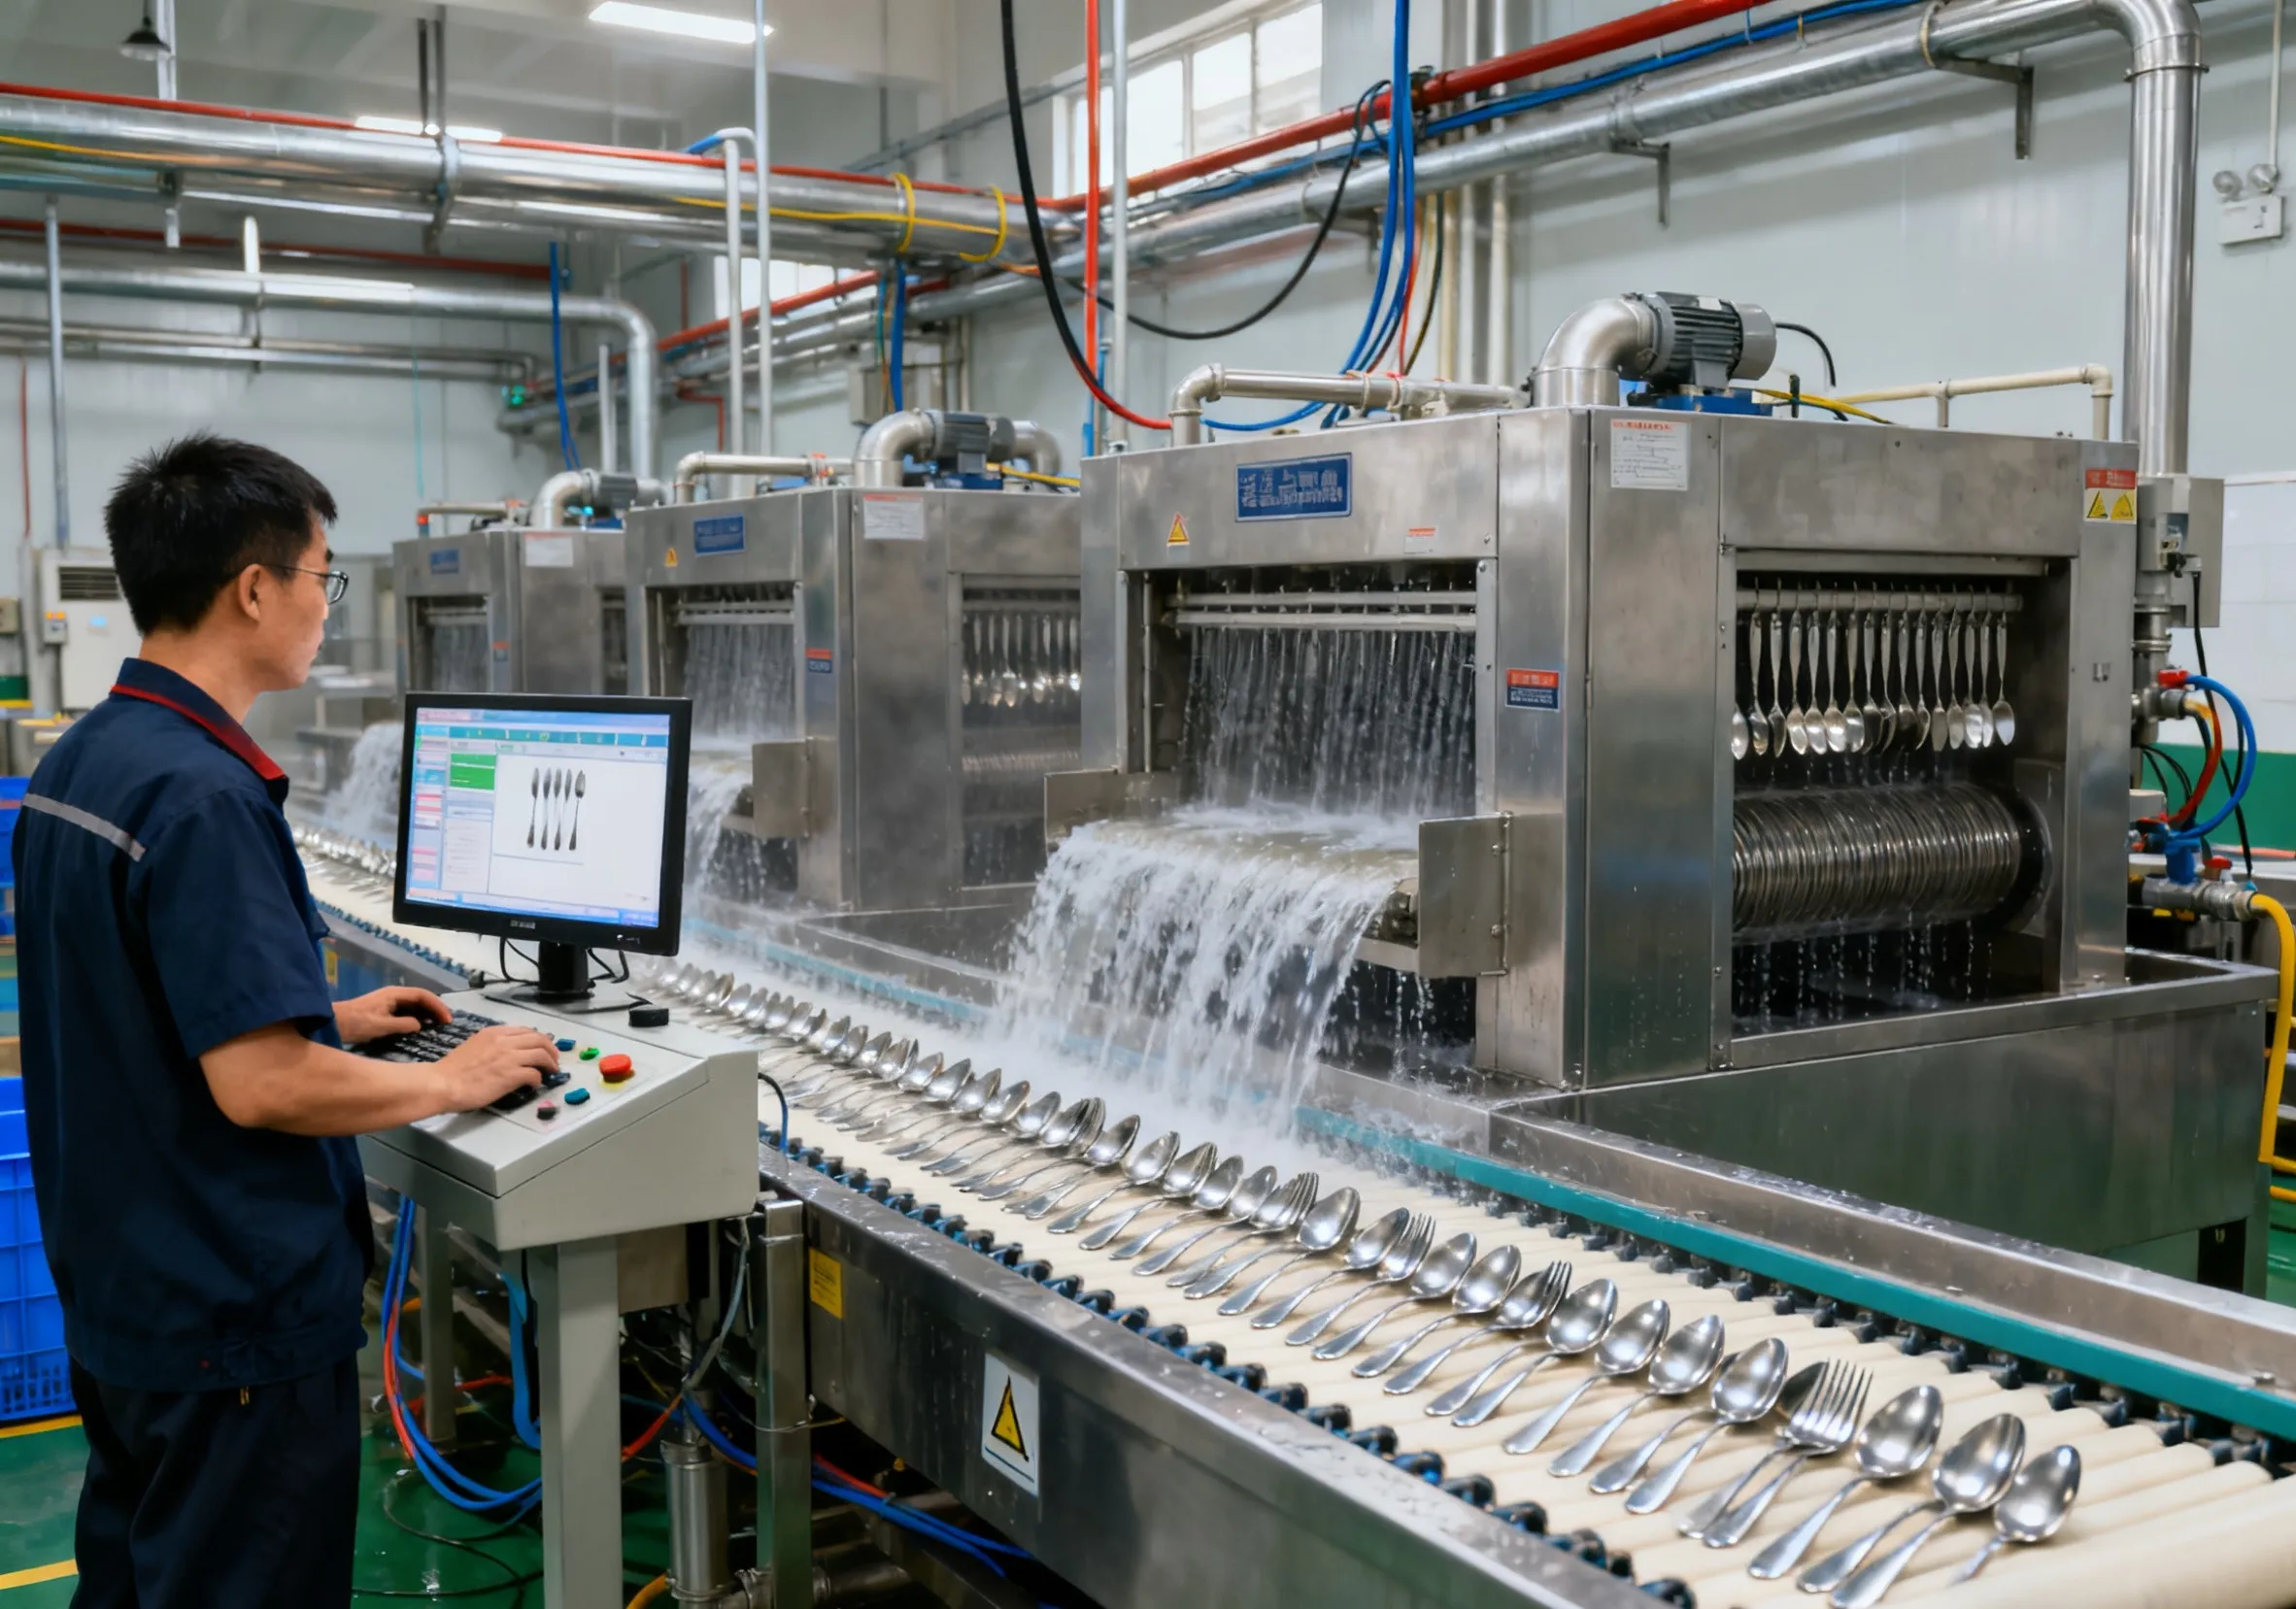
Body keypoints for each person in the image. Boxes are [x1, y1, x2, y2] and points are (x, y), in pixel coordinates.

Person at [13, 434, 559, 1609]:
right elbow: (262, 1087)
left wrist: (327, 1018)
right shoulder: (205, 794)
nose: (325, 604)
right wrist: (453, 1077)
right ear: (255, 588)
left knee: (138, 1576)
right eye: (322, 575)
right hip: (233, 1323)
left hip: (128, 1294)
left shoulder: (88, 760)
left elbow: (134, 1007)